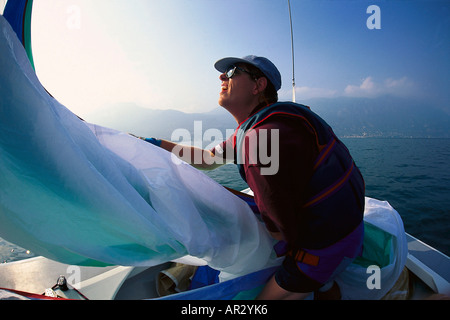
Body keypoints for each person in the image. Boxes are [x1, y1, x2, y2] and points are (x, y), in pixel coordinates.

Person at [135, 55, 365, 300]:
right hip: (350, 230)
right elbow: (209, 158)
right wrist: (155, 145)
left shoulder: (261, 141)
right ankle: (325, 285)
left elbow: (280, 232)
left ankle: (320, 285)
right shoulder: (274, 122)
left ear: (258, 86)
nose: (222, 77)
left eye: (233, 71)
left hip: (325, 248)